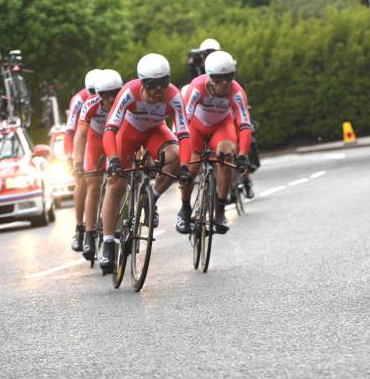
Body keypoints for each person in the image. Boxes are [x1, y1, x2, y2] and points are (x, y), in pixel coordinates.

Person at [98, 54, 192, 274]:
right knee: (115, 184)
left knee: (175, 156)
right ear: (142, 83)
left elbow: (185, 134)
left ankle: (152, 198)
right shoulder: (129, 92)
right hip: (128, 133)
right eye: (152, 86)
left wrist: (186, 166)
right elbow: (110, 129)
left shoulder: (174, 96)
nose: (159, 91)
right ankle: (108, 243)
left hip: (155, 131)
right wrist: (113, 159)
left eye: (163, 84)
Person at [178, 51, 253, 235]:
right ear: (209, 76)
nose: (225, 83)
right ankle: (185, 208)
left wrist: (243, 155)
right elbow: (184, 122)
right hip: (196, 126)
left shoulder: (236, 92)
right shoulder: (196, 88)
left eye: (229, 77)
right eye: (219, 79)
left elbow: (244, 125)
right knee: (192, 167)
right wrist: (184, 160)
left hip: (222, 126)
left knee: (226, 156)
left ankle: (220, 210)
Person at [71, 70, 123, 261]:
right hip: (95, 140)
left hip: (116, 138)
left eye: (113, 94)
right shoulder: (88, 104)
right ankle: (89, 233)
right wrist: (77, 163)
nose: (109, 100)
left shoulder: (124, 100)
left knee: (119, 179)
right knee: (92, 185)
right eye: (103, 95)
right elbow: (80, 134)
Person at [65, 69, 99, 253]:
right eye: (92, 93)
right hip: (84, 138)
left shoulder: (109, 95)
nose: (96, 97)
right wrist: (71, 158)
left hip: (102, 135)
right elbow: (70, 131)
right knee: (83, 181)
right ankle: (79, 227)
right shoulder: (79, 99)